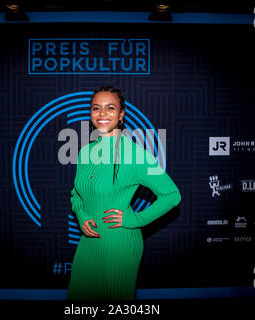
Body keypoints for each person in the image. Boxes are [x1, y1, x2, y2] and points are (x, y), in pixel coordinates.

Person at [66, 85, 181, 300]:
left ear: (121, 115)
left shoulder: (136, 154)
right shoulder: (84, 152)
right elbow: (76, 194)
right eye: (95, 108)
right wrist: (81, 215)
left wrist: (135, 218)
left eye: (110, 108)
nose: (102, 114)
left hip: (119, 243)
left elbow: (172, 195)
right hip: (88, 242)